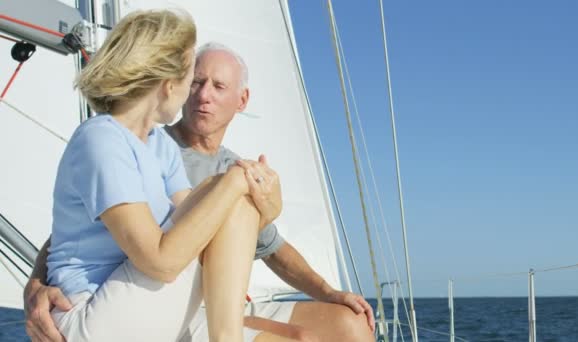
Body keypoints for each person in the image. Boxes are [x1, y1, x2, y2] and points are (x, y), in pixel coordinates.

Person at [24, 41, 376, 341]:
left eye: (218, 87)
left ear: (242, 100)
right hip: (156, 300)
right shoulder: (145, 145)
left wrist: (330, 293)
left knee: (352, 327)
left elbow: (272, 247)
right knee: (298, 339)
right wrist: (36, 286)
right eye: (196, 83)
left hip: (224, 299)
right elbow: (66, 235)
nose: (204, 96)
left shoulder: (235, 168)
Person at [34, 10, 283, 342]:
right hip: (87, 316)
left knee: (219, 193)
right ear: (168, 83)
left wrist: (265, 204)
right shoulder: (101, 139)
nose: (196, 93)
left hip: (134, 303)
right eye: (192, 77)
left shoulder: (158, 145)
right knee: (224, 190)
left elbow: (202, 220)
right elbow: (160, 263)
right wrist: (238, 181)